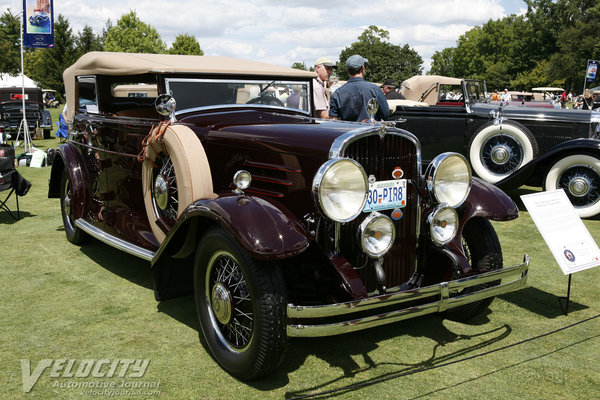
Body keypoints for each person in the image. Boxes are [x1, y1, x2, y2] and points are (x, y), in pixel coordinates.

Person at [329, 55, 389, 122]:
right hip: (369, 131)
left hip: (348, 131)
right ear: (363, 68)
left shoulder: (338, 93)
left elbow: (333, 119)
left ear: (347, 71)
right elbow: (385, 114)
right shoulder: (374, 89)